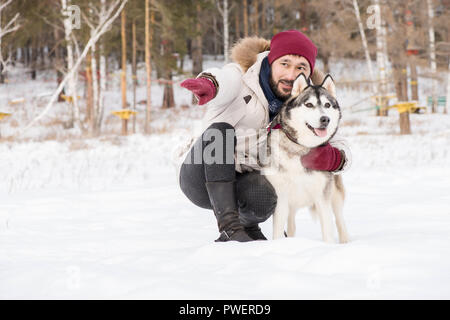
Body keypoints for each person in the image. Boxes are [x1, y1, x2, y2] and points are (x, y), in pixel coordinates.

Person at [177, 30, 351, 243]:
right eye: (284, 64)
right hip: (202, 172)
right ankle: (230, 228)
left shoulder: (308, 101)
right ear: (271, 60)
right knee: (220, 131)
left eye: (300, 67)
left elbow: (338, 141)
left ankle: (248, 226)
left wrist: (335, 158)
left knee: (269, 190)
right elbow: (224, 80)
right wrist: (210, 85)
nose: (291, 74)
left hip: (246, 177)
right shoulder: (242, 76)